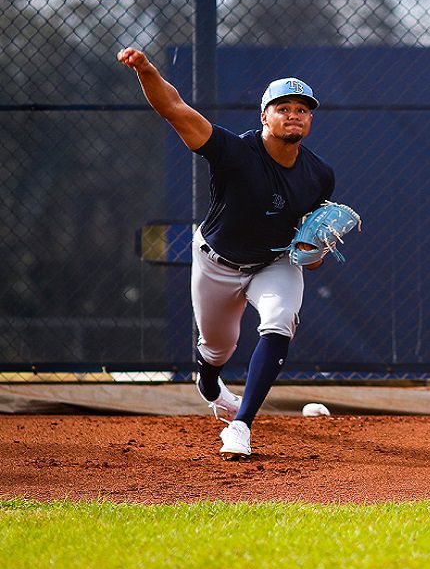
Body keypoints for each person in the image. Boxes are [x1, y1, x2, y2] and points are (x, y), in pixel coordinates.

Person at [118, 48, 336, 457]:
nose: (294, 114)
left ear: (310, 120)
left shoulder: (320, 175)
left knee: (279, 321)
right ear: (264, 116)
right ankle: (210, 384)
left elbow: (310, 242)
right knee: (218, 348)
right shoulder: (233, 151)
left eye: (303, 110)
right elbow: (175, 109)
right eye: (283, 107)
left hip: (273, 262)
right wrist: (146, 71)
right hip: (216, 261)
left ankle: (241, 425)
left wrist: (312, 251)